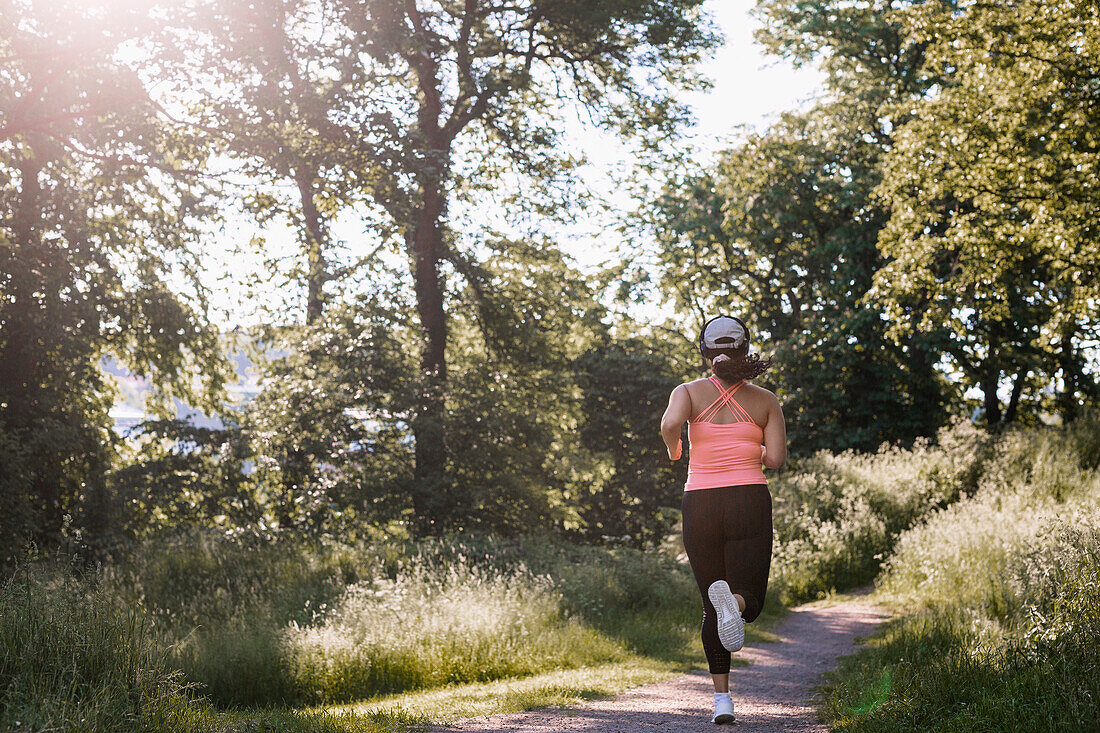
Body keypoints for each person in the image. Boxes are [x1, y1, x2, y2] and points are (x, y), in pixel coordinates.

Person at [660, 314, 786, 725]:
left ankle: (722, 702)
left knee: (708, 608)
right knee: (748, 597)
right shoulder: (765, 400)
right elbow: (776, 460)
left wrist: (676, 450)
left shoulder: (688, 392)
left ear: (705, 351)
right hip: (748, 498)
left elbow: (668, 424)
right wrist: (756, 451)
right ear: (745, 350)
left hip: (700, 502)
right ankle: (735, 603)